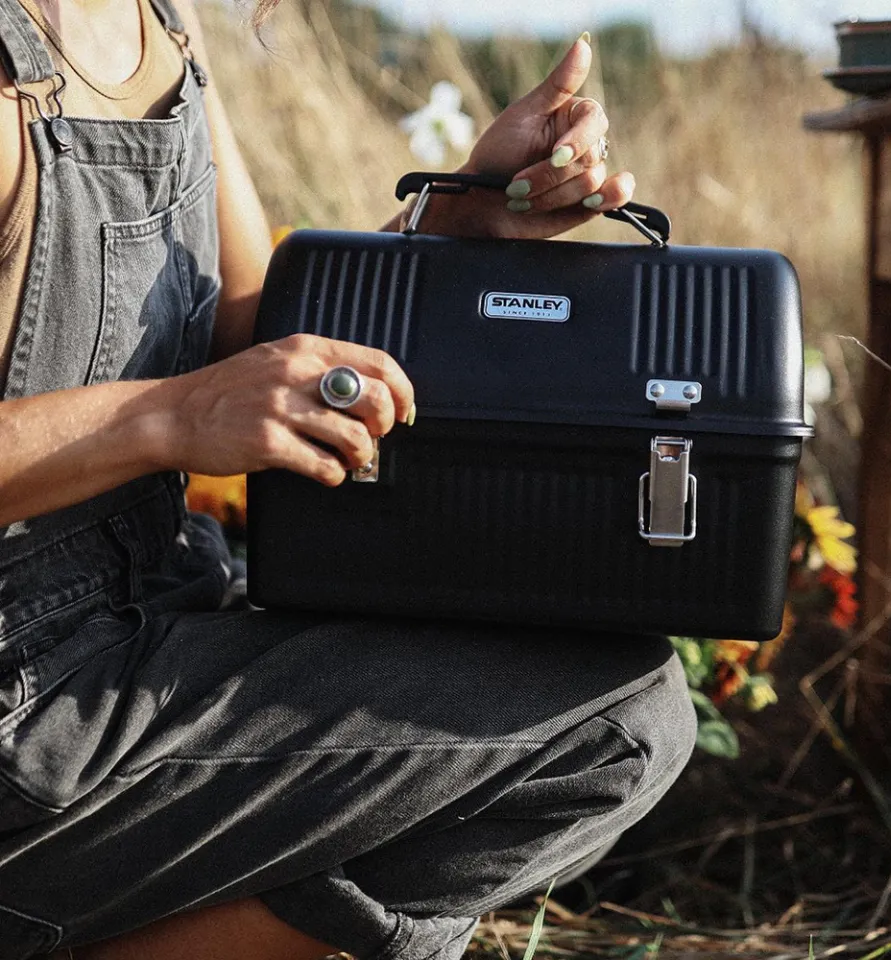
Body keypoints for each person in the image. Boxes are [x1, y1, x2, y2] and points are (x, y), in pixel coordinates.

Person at [0, 0, 697, 956]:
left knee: (618, 703)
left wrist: (459, 214)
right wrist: (173, 415)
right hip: (27, 711)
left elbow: (253, 328)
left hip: (152, 620)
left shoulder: (161, 22)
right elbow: (202, 392)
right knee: (607, 728)